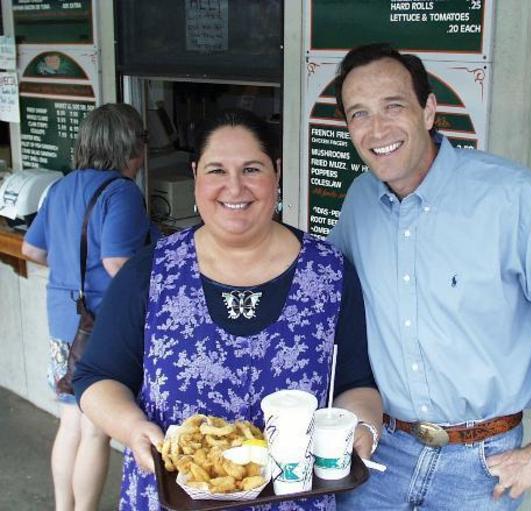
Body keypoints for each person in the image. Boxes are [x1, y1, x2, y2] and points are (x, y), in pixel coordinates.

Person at [327, 43, 531, 510]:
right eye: (359, 114)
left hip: (481, 466)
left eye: (393, 106)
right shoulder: (360, 201)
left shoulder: (512, 198)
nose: (376, 129)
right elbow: (325, 292)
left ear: (428, 110)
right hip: (382, 452)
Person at [73, 108, 383, 511]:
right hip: (173, 499)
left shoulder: (329, 273)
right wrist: (133, 429)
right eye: (217, 170)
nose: (234, 188)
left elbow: (356, 383)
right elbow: (97, 377)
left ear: (277, 172)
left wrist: (360, 427)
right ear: (196, 174)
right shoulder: (150, 272)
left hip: (293, 500)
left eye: (251, 169)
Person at [22, 103, 154, 511]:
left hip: (64, 321)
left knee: (70, 422)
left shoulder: (61, 187)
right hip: (99, 326)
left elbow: (31, 249)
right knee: (96, 430)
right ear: (131, 146)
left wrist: (72, 271)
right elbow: (118, 263)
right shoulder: (121, 192)